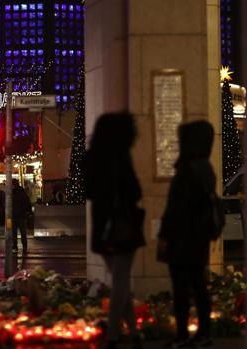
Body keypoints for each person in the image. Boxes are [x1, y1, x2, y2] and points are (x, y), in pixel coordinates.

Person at [84, 112, 144, 349]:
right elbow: (135, 191)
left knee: (119, 282)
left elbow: (89, 192)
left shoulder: (91, 158)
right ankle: (113, 335)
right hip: (123, 226)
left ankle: (134, 332)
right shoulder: (120, 156)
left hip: (102, 229)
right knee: (121, 281)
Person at [158, 121, 216, 348]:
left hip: (182, 238)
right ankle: (204, 333)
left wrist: (165, 235)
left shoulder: (187, 169)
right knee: (199, 286)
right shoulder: (206, 168)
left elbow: (175, 208)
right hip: (199, 238)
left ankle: (182, 335)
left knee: (181, 288)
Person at [11, 179, 32, 255]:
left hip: (15, 215)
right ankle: (24, 245)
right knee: (22, 231)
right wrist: (27, 212)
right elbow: (27, 203)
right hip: (21, 215)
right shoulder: (22, 192)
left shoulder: (12, 193)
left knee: (14, 232)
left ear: (13, 185)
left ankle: (15, 246)